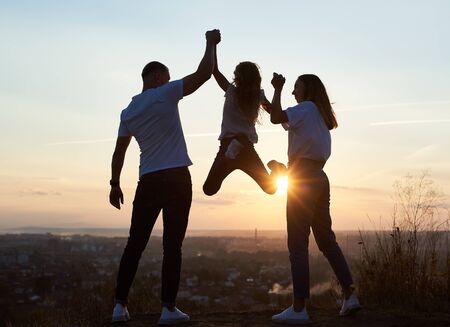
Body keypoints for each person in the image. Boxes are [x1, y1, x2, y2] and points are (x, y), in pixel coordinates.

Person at [108, 29, 221, 325]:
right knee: (172, 246)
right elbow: (205, 73)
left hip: (148, 181)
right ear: (157, 78)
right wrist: (210, 43)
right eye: (167, 77)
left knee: (135, 243)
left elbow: (119, 152)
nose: (171, 82)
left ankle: (119, 307)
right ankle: (168, 309)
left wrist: (114, 183)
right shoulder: (165, 93)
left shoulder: (128, 111)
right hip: (176, 179)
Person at [268, 73, 362, 324]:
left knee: (297, 243)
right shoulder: (316, 115)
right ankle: (350, 295)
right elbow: (279, 116)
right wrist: (264, 99)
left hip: (302, 176)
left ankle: (299, 309)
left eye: (295, 88)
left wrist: (276, 88)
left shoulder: (305, 108)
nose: (292, 92)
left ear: (307, 89)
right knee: (326, 241)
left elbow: (277, 117)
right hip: (319, 177)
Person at [202, 47, 286, 196]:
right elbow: (276, 114)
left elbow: (214, 70)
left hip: (229, 145)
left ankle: (231, 154)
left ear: (237, 78)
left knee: (209, 189)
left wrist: (213, 44)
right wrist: (277, 89)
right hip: (246, 147)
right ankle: (277, 170)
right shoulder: (258, 96)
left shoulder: (231, 91)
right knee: (270, 189)